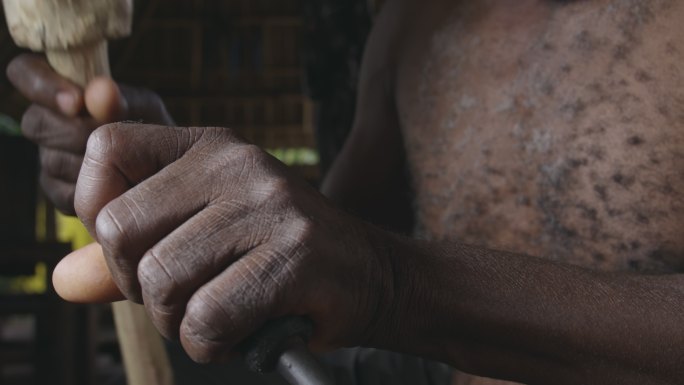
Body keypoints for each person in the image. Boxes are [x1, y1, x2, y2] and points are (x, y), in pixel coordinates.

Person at [7, 0, 684, 384]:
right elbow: (335, 243)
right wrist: (169, 186)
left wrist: (391, 284)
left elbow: (368, 271)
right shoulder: (416, 22)